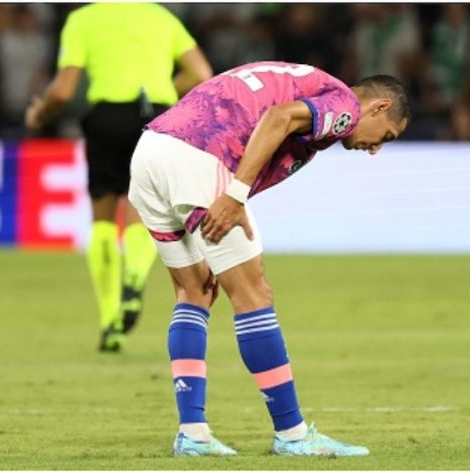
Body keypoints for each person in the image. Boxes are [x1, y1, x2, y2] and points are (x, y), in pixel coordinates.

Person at [126, 61, 410, 457]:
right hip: (199, 156)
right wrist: (235, 194)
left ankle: (193, 434)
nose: (376, 148)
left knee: (195, 292)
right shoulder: (343, 105)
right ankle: (292, 436)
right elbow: (278, 117)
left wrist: (233, 194)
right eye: (388, 136)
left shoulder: (306, 84)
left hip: (151, 151)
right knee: (253, 294)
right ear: (379, 107)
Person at [24, 3, 212, 351]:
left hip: (106, 118)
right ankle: (135, 278)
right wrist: (167, 90)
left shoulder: (83, 20)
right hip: (156, 116)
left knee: (104, 220)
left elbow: (63, 91)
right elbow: (201, 73)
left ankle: (111, 321)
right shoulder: (162, 17)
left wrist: (40, 113)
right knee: (145, 208)